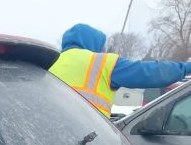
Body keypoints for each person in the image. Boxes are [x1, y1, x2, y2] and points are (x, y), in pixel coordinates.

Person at [49, 23, 191, 117]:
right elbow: (150, 72)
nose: (104, 50)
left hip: (52, 136)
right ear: (94, 43)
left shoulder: (50, 61)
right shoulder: (101, 62)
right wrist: (185, 68)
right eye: (102, 45)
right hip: (86, 139)